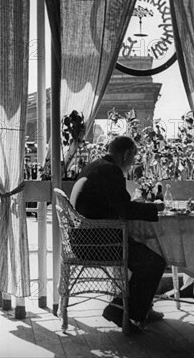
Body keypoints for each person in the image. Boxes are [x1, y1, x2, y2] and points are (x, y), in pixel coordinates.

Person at [70, 135, 166, 333]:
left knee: (145, 254)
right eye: (133, 158)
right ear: (126, 154)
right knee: (154, 262)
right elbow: (125, 210)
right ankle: (119, 309)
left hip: (84, 239)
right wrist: (154, 208)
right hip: (99, 244)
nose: (132, 164)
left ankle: (141, 308)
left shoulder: (95, 166)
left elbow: (115, 205)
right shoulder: (111, 171)